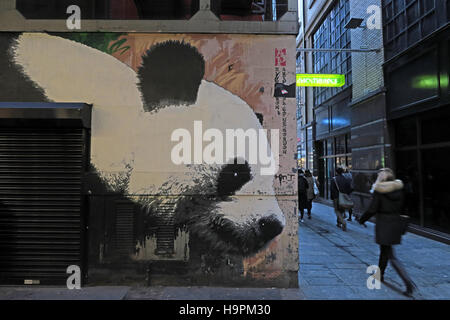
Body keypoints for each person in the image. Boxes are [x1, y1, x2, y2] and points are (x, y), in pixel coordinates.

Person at [357, 168, 416, 297]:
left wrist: (362, 219)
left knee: (391, 256)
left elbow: (372, 208)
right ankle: (380, 275)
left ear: (382, 177)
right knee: (385, 251)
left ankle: (408, 283)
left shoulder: (380, 190)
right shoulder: (399, 189)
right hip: (395, 223)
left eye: (379, 175)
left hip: (384, 223)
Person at [330, 167, 353, 231]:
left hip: (336, 197)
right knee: (342, 210)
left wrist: (332, 197)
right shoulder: (346, 179)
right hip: (344, 197)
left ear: (336, 172)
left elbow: (332, 189)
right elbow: (350, 188)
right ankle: (338, 223)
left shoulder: (334, 179)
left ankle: (343, 222)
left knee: (337, 210)